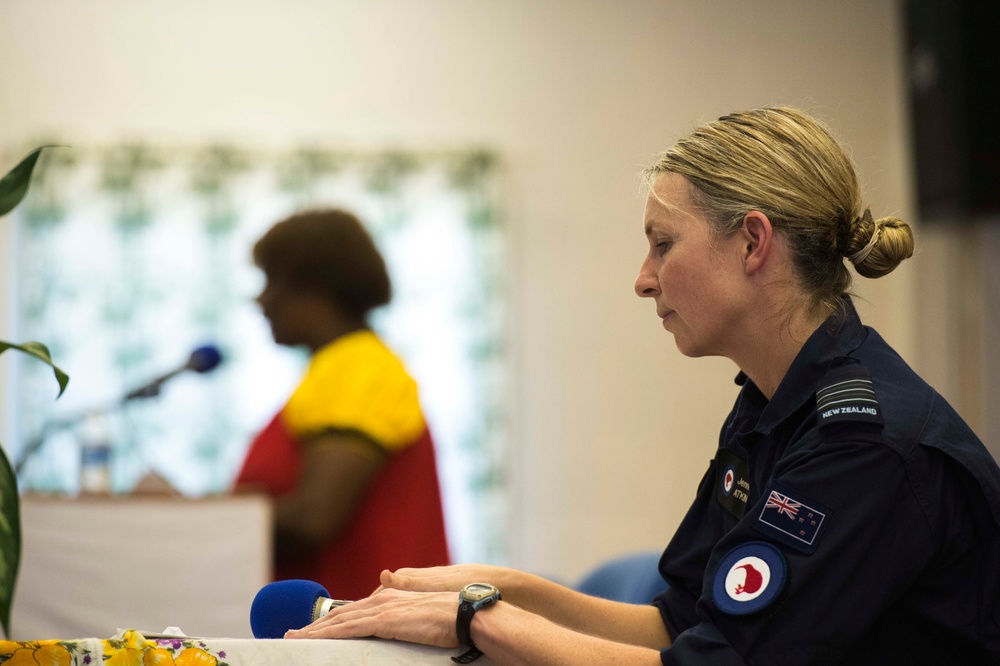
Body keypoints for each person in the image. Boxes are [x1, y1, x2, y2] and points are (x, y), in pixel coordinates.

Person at [285, 108, 1000, 663]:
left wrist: (476, 618)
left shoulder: (865, 444)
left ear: (753, 243)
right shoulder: (771, 405)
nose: (643, 278)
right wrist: (503, 587)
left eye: (664, 243)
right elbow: (679, 621)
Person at [234, 208, 450, 601]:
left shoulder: (359, 367)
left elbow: (314, 517)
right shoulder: (335, 369)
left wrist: (197, 518)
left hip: (368, 636)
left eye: (271, 282)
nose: (261, 300)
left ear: (316, 287)